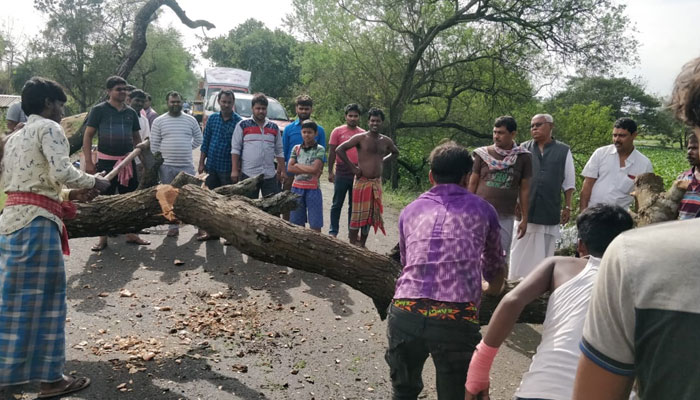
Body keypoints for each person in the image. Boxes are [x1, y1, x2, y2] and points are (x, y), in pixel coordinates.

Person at [572, 56, 700, 400]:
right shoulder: (600, 155)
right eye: (613, 134)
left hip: (625, 230)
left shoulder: (637, 257)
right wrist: (583, 218)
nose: (616, 139)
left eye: (621, 134)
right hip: (601, 222)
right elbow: (586, 187)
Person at [0, 77, 110, 398]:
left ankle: (7, 376)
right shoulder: (49, 128)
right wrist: (94, 182)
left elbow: (36, 182)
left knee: (13, 303)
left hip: (10, 224)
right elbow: (61, 171)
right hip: (37, 225)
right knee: (48, 303)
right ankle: (51, 380)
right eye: (60, 104)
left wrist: (72, 192)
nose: (62, 112)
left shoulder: (15, 137)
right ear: (48, 103)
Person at [465, 205, 634, 400]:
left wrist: (479, 369)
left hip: (540, 390)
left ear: (580, 245)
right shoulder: (640, 280)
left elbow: (512, 301)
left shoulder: (559, 265)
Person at [386, 141, 505, 400]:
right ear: (466, 177)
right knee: (455, 395)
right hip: (455, 317)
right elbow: (495, 266)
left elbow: (408, 263)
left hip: (405, 310)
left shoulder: (410, 210)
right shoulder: (483, 210)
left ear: (431, 176)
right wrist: (493, 289)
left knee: (403, 392)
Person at [83, 76, 149, 251]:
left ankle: (131, 234)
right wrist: (89, 162)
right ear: (109, 91)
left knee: (131, 199)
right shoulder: (98, 110)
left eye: (125, 89)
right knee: (103, 200)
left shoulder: (130, 113)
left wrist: (145, 163)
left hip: (127, 163)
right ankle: (102, 238)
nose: (123, 92)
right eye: (118, 89)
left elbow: (136, 139)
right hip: (105, 163)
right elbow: (88, 135)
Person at [509, 114, 575, 280]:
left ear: (550, 126)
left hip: (549, 207)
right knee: (519, 248)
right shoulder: (523, 148)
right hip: (525, 209)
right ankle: (515, 281)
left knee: (544, 251)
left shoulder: (563, 150)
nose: (534, 129)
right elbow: (514, 178)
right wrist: (514, 200)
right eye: (532, 126)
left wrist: (567, 206)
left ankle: (539, 284)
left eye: (538, 125)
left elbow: (569, 182)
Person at [469, 115, 531, 267]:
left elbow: (524, 189)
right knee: (475, 252)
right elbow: (473, 182)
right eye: (495, 132)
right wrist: (467, 209)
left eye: (501, 133)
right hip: (480, 213)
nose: (496, 136)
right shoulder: (482, 154)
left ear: (513, 134)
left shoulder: (523, 157)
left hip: (505, 214)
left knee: (501, 255)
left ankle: (497, 289)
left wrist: (525, 218)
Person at [336, 107, 399, 247]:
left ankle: (362, 244)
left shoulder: (386, 140)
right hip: (362, 182)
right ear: (368, 122)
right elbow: (339, 149)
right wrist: (353, 168)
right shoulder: (361, 138)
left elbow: (395, 153)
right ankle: (352, 244)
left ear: (382, 122)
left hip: (376, 183)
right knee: (357, 215)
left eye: (378, 121)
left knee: (370, 216)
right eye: (372, 120)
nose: (375, 123)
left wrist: (382, 161)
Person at [150, 91, 203, 237]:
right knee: (169, 197)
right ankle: (172, 226)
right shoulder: (159, 121)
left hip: (186, 165)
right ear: (167, 103)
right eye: (172, 102)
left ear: (182, 102)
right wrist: (164, 156)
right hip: (166, 167)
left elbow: (199, 139)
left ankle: (199, 226)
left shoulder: (191, 120)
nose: (175, 104)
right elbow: (154, 145)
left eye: (178, 102)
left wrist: (185, 147)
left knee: (191, 196)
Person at [197, 90, 242, 241]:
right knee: (211, 200)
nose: (226, 105)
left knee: (229, 202)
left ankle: (230, 235)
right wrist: (201, 162)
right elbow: (206, 141)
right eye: (224, 101)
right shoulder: (212, 119)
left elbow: (240, 148)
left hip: (228, 168)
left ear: (233, 103)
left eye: (229, 102)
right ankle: (212, 232)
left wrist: (237, 169)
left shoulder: (239, 122)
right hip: (212, 166)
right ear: (219, 101)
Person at [579, 118, 653, 211]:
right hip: (592, 213)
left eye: (622, 136)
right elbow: (587, 185)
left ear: (634, 135)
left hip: (619, 218)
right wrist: (583, 213)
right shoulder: (601, 153)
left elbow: (641, 197)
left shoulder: (644, 164)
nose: (617, 139)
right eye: (614, 135)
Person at [230, 93, 285, 198]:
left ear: (267, 109)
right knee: (247, 207)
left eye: (263, 108)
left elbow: (279, 151)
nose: (261, 111)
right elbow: (235, 149)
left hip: (269, 175)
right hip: (249, 174)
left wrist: (282, 170)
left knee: (272, 207)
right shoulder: (243, 125)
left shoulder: (273, 127)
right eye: (258, 108)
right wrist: (234, 170)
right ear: (252, 108)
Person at [282, 95, 326, 220]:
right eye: (301, 108)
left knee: (309, 205)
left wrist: (318, 171)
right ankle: (286, 229)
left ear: (311, 110)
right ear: (296, 109)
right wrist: (282, 171)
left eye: (306, 109)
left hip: (311, 176)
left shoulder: (319, 131)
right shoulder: (288, 129)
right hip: (291, 174)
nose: (303, 111)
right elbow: (283, 151)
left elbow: (322, 155)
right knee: (288, 203)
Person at [328, 104, 364, 238]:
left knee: (353, 205)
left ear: (359, 117)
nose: (353, 118)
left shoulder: (363, 133)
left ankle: (352, 232)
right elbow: (332, 152)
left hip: (357, 173)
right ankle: (333, 231)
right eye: (350, 116)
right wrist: (330, 172)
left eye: (355, 116)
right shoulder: (337, 131)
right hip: (342, 172)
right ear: (345, 116)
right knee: (337, 203)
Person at [288, 119, 325, 232]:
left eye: (309, 132)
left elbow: (315, 169)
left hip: (313, 189)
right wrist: (309, 169)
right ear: (301, 132)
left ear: (315, 133)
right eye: (304, 132)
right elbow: (290, 168)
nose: (306, 135)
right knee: (296, 222)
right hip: (297, 188)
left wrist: (297, 166)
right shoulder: (296, 148)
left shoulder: (320, 149)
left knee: (315, 223)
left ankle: (317, 245)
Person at [128, 89, 153, 184]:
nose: (139, 103)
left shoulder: (144, 120)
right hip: (122, 160)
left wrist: (146, 163)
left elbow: (146, 140)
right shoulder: (121, 117)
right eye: (137, 100)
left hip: (138, 161)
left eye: (142, 101)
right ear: (129, 100)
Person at [676, 133, 700, 219]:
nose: (689, 152)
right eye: (689, 148)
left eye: (695, 148)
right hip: (683, 231)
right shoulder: (682, 178)